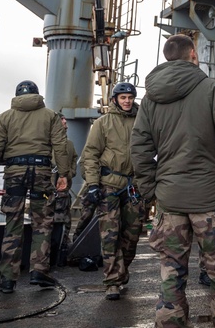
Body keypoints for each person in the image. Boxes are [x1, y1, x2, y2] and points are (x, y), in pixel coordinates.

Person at [131, 34, 215, 328]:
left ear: (168, 56)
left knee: (171, 272)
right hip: (210, 199)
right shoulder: (212, 89)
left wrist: (150, 191)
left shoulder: (150, 97)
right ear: (193, 54)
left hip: (169, 198)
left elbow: (140, 148)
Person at [0, 80, 70, 294]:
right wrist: (63, 174)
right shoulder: (50, 116)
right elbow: (59, 145)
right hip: (41, 172)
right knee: (42, 223)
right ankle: (39, 271)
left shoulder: (4, 117)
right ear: (37, 95)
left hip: (14, 173)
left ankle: (7, 278)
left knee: (13, 223)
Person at [80, 81, 144, 300]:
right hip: (109, 185)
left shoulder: (142, 121)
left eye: (130, 97)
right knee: (110, 235)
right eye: (123, 97)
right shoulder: (103, 123)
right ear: (115, 99)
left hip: (134, 186)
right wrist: (92, 185)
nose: (127, 101)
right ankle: (112, 281)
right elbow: (90, 155)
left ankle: (122, 269)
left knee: (132, 234)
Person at [51, 113, 78, 267]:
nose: (66, 125)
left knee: (64, 223)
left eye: (66, 122)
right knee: (49, 224)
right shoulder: (47, 143)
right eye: (63, 122)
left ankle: (60, 257)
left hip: (64, 191)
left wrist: (70, 172)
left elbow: (74, 158)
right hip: (49, 190)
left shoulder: (69, 144)